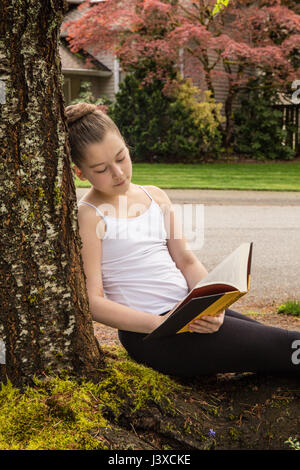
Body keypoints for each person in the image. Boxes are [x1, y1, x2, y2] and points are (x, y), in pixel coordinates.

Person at [66, 102, 300, 378]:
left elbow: (186, 261)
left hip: (190, 313)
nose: (118, 173)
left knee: (281, 342)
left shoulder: (156, 196)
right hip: (153, 336)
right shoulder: (89, 215)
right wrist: (162, 323)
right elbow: (93, 301)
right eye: (101, 169)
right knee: (289, 347)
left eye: (121, 157)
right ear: (80, 173)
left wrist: (215, 307)